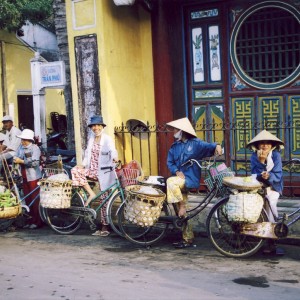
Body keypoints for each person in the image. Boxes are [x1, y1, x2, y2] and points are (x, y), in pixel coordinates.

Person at [166, 117, 222, 248]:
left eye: (176, 129)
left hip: (189, 179)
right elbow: (170, 162)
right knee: (183, 215)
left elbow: (210, 146)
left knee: (171, 184)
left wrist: (218, 145)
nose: (174, 131)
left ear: (182, 131)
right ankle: (187, 238)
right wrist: (176, 170)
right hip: (178, 180)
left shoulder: (196, 144)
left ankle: (182, 206)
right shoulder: (174, 147)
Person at [71, 115, 118, 237]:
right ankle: (90, 193)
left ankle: (105, 226)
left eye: (98, 125)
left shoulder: (107, 139)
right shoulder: (91, 139)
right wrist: (83, 165)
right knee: (75, 170)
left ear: (102, 126)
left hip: (104, 172)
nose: (95, 128)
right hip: (92, 170)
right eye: (93, 126)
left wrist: (115, 158)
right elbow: (87, 154)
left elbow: (113, 150)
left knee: (104, 199)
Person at [247, 129, 285, 255]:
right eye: (262, 143)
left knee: (270, 208)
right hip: (259, 186)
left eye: (267, 143)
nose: (264, 145)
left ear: (272, 145)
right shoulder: (254, 156)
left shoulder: (276, 156)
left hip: (273, 187)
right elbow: (254, 173)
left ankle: (272, 240)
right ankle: (258, 237)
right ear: (257, 145)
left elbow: (278, 174)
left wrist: (269, 176)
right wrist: (261, 163)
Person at [13, 129, 43, 229]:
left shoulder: (35, 148)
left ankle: (38, 221)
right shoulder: (21, 147)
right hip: (24, 176)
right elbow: (16, 156)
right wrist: (16, 159)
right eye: (22, 140)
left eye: (24, 140)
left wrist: (21, 161)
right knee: (27, 199)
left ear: (29, 140)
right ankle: (30, 220)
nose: (22, 142)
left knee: (35, 200)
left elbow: (35, 163)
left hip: (34, 177)